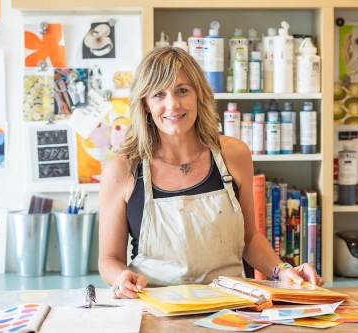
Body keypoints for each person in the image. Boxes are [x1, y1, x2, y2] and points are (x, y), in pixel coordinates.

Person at [98, 46, 324, 299]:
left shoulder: (234, 155)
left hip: (229, 303)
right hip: (154, 304)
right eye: (159, 94)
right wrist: (121, 277)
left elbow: (248, 237)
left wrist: (281, 270)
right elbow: (109, 258)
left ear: (198, 95)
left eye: (182, 90)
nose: (172, 105)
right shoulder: (123, 169)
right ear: (146, 104)